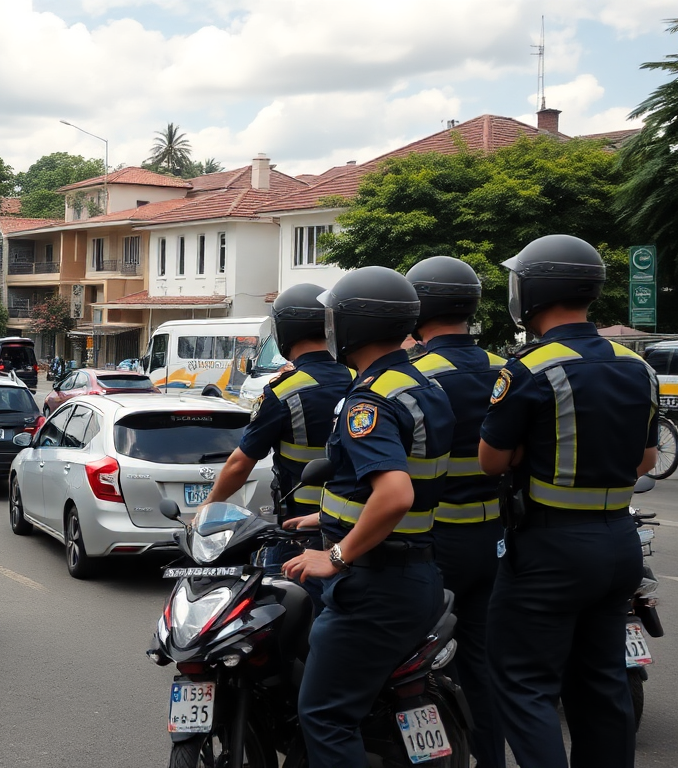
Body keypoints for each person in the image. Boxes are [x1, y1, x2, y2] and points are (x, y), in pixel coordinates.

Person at [479, 235, 656, 768]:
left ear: (533, 291)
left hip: (551, 547)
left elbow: (491, 460)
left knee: (523, 682)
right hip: (620, 543)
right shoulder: (636, 365)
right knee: (601, 683)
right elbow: (646, 461)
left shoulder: (529, 368)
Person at [281, 266, 453, 767]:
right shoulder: (420, 384)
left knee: (325, 715)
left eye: (334, 319)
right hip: (415, 571)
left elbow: (395, 493)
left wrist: (336, 554)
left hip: (375, 585)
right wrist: (326, 520)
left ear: (355, 324)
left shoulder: (370, 399)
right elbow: (393, 485)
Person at [404, 256, 506, 767]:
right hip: (495, 538)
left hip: (432, 541)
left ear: (417, 309)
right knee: (482, 665)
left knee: (412, 666)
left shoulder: (413, 377)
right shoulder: (506, 369)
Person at [206, 283, 352, 609]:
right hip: (355, 522)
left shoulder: (283, 391)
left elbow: (240, 463)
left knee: (279, 609)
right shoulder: (360, 379)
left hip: (300, 527)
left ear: (284, 331)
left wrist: (209, 506)